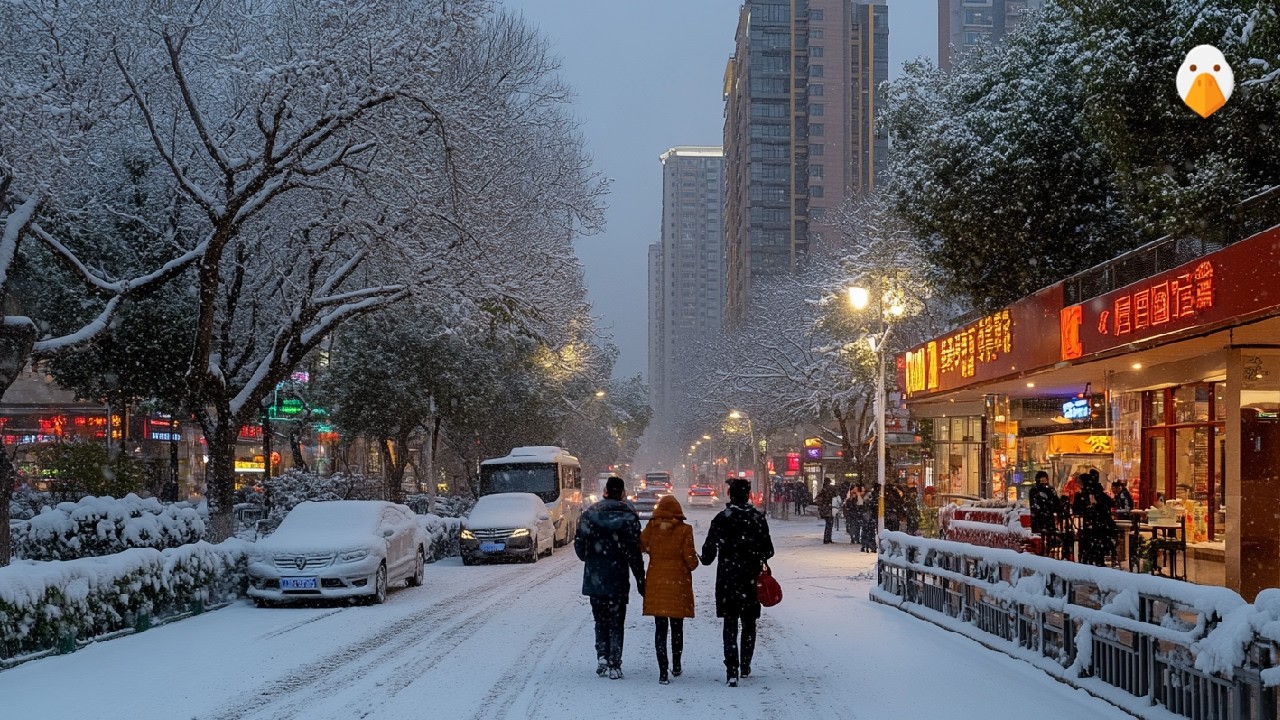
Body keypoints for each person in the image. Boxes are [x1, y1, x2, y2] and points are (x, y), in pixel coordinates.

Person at [700, 478, 774, 687]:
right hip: (750, 580)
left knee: (730, 624)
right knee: (749, 623)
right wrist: (754, 553)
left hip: (727, 580)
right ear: (748, 495)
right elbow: (769, 550)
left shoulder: (722, 519)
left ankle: (731, 668)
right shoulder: (757, 519)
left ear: (730, 494)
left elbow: (707, 556)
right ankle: (746, 664)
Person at [574, 476, 646, 679]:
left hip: (595, 575)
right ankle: (615, 661)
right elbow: (634, 552)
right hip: (618, 576)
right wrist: (640, 579)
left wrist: (591, 557)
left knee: (600, 619)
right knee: (617, 620)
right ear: (622, 492)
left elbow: (580, 546)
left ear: (606, 490)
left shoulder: (590, 514)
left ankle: (602, 656)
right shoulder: (629, 516)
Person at [639, 494, 699, 685]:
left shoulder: (652, 528)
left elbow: (641, 545)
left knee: (660, 629)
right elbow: (691, 560)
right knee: (677, 628)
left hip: (657, 582)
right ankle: (677, 664)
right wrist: (693, 561)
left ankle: (662, 670)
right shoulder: (684, 530)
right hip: (678, 584)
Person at [1073, 473, 1117, 566]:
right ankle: (1099, 562)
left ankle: (1091, 562)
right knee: (1098, 552)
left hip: (1094, 526)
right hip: (1102, 525)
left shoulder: (1085, 493)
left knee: (1090, 549)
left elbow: (1077, 509)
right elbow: (1111, 503)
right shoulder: (1098, 491)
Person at [1028, 471, 1059, 537]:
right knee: (1040, 536)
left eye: (1045, 480)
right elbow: (1035, 504)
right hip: (1039, 518)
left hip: (1049, 518)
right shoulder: (1034, 490)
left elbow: (1056, 501)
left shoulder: (1051, 489)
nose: (1043, 482)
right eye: (1041, 480)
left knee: (1050, 535)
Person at [815, 477, 838, 543]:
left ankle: (826, 538)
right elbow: (835, 496)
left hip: (824, 508)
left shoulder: (823, 489)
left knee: (828, 523)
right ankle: (828, 538)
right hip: (829, 508)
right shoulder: (830, 489)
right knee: (829, 524)